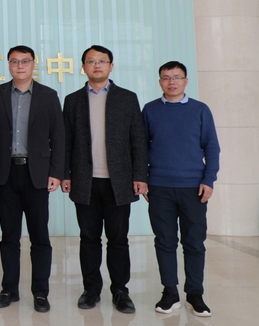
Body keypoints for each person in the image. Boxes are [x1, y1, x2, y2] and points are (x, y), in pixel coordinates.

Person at [61, 45, 148, 314]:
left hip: (118, 182)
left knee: (118, 239)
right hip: (85, 181)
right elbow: (66, 141)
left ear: (111, 66)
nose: (96, 65)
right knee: (89, 238)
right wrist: (66, 174)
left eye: (102, 61)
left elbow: (138, 140)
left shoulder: (127, 98)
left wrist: (140, 176)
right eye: (91, 61)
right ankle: (91, 290)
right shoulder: (73, 100)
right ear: (83, 67)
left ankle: (120, 291)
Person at [0, 45, 64, 313]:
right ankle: (9, 289)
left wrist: (56, 172)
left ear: (33, 64)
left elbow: (59, 137)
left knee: (39, 237)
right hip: (6, 173)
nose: (20, 66)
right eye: (15, 61)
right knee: (9, 236)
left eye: (25, 61)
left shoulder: (48, 95)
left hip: (37, 175)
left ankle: (40, 292)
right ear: (9, 65)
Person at [143, 61, 220, 317]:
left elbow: (212, 147)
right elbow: (141, 147)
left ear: (186, 81)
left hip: (193, 187)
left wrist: (209, 179)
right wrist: (143, 178)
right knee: (164, 242)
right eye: (166, 77)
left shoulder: (200, 110)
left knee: (194, 243)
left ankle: (195, 294)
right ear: (160, 82)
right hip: (159, 186)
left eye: (177, 77)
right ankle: (170, 292)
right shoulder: (150, 110)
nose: (172, 82)